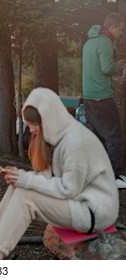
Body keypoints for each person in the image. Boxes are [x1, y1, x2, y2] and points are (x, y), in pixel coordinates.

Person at [0, 87, 119, 260]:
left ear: (49, 118)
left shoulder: (75, 142)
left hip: (95, 211)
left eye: (34, 124)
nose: (32, 129)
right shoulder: (58, 137)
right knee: (16, 188)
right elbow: (50, 179)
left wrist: (26, 179)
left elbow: (68, 188)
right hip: (78, 201)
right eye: (29, 124)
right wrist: (19, 177)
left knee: (25, 197)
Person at [82, 12, 126, 189]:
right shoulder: (106, 42)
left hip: (89, 97)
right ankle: (115, 176)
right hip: (102, 97)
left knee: (95, 137)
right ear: (112, 27)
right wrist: (119, 66)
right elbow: (107, 67)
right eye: (121, 30)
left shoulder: (90, 42)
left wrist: (115, 63)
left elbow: (97, 66)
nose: (121, 33)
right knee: (115, 137)